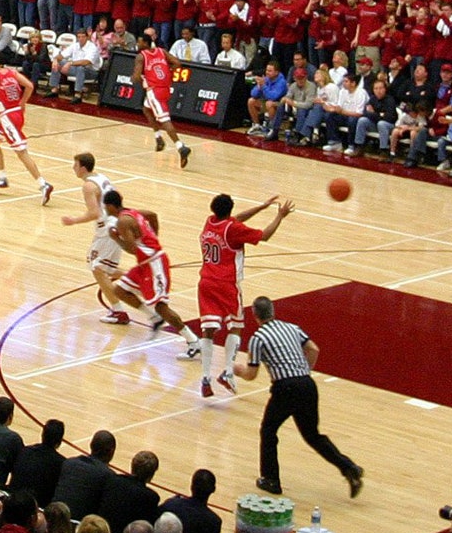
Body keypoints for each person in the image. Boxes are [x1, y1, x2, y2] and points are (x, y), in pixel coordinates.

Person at [235, 296, 363, 498]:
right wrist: (304, 370)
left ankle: (271, 480)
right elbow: (313, 349)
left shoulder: (258, 338)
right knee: (313, 435)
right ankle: (349, 467)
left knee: (268, 431)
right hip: (307, 384)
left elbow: (251, 375)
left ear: (255, 315)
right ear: (273, 310)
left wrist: (237, 370)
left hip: (285, 388)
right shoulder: (292, 328)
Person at [196, 194, 293, 398]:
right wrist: (279, 216)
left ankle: (205, 378)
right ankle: (228, 372)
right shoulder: (233, 229)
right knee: (237, 326)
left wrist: (261, 206)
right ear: (230, 209)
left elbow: (235, 220)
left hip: (205, 282)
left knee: (209, 330)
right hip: (226, 283)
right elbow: (264, 235)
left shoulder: (211, 222)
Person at [99, 188, 205, 357]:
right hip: (145, 264)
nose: (105, 210)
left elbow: (132, 249)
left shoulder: (122, 222)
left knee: (162, 307)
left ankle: (193, 341)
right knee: (119, 290)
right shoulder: (133, 213)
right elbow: (153, 215)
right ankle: (154, 318)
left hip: (154, 263)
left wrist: (116, 238)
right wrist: (154, 236)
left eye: (105, 207)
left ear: (111, 206)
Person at [60, 152, 134, 325]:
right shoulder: (102, 177)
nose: (73, 168)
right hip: (114, 223)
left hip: (107, 229)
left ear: (83, 167)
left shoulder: (88, 186)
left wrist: (73, 221)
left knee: (98, 268)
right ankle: (140, 283)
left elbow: (94, 213)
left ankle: (118, 311)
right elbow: (118, 197)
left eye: (75, 165)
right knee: (102, 267)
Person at [0, 54, 53, 203]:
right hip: (17, 113)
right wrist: (23, 102)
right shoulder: (11, 72)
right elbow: (30, 86)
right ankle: (2, 177)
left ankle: (43, 184)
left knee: (21, 152)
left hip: (8, 117)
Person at [135, 30, 193, 168]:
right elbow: (177, 63)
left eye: (139, 42)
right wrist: (168, 72)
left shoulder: (141, 56)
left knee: (165, 119)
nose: (137, 44)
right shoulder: (161, 51)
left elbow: (137, 76)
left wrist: (141, 78)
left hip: (154, 91)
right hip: (166, 88)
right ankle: (158, 138)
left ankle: (181, 147)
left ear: (145, 43)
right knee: (146, 109)